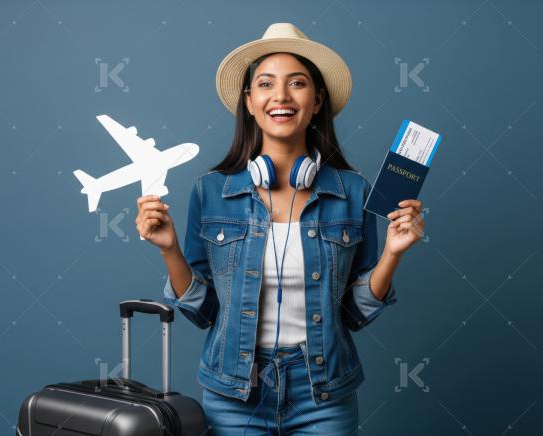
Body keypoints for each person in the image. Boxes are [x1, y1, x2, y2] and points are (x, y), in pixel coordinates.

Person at [135, 23, 424, 435]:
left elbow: (354, 315)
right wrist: (169, 250)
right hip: (234, 393)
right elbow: (204, 312)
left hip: (323, 391)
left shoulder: (353, 191)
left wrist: (393, 254)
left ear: (318, 100)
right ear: (250, 102)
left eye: (298, 83)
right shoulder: (212, 190)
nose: (282, 96)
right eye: (266, 84)